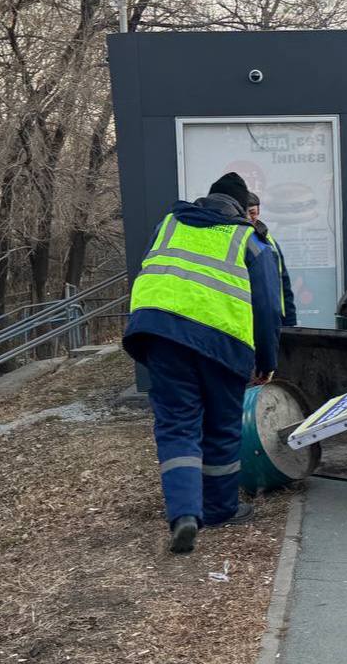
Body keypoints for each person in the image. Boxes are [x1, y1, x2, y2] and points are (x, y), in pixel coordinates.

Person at [122, 172, 282, 554]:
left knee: (177, 425)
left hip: (161, 335)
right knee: (221, 426)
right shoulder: (249, 239)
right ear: (243, 209)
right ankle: (221, 508)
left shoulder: (170, 224)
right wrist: (266, 360)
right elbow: (267, 307)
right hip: (222, 342)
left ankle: (184, 516)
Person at [246, 191, 298, 327]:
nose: (249, 217)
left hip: (274, 316)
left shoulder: (269, 241)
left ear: (258, 211)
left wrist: (290, 319)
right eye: (245, 213)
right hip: (248, 317)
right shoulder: (237, 240)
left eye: (253, 212)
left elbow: (283, 281)